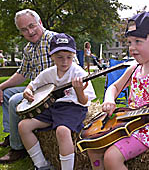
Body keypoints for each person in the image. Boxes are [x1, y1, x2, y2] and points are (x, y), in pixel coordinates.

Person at [87, 12, 149, 170]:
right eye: (129, 42)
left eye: (138, 41)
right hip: (131, 122)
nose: (132, 48)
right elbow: (114, 87)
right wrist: (109, 100)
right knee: (93, 146)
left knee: (111, 157)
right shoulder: (134, 68)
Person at [0, 9, 77, 163]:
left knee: (16, 100)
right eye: (24, 29)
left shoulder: (55, 39)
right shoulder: (28, 48)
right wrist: (0, 86)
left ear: (40, 22)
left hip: (55, 91)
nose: (29, 31)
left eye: (32, 26)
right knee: (8, 93)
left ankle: (18, 149)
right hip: (36, 88)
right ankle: (13, 136)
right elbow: (22, 73)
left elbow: (72, 66)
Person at [18, 33, 96, 170]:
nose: (64, 62)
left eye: (69, 57)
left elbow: (84, 102)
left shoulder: (79, 73)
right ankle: (42, 165)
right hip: (53, 107)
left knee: (62, 130)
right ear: (51, 56)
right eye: (59, 57)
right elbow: (33, 84)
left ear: (74, 56)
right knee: (23, 126)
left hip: (74, 107)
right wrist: (28, 91)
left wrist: (79, 90)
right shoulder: (49, 73)